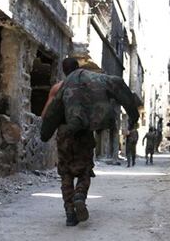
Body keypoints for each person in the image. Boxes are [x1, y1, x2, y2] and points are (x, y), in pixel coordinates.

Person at [41, 58, 139, 226]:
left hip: (65, 135)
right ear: (78, 67)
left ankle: (70, 213)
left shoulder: (59, 88)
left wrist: (45, 134)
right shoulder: (94, 80)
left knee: (66, 173)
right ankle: (80, 195)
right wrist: (133, 116)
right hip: (84, 135)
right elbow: (117, 84)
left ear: (64, 71)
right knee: (84, 171)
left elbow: (47, 115)